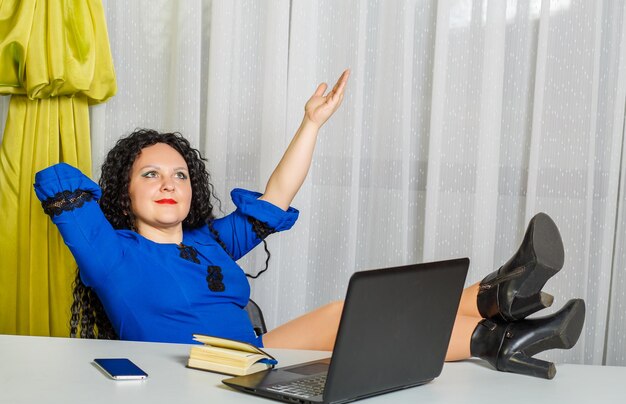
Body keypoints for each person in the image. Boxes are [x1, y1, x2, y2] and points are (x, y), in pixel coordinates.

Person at [34, 69, 584, 380]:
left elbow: (276, 196)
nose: (168, 182)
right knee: (353, 318)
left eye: (178, 174)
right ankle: (505, 328)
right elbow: (54, 179)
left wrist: (311, 123)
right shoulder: (114, 255)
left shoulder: (210, 242)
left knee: (364, 310)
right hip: (197, 376)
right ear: (123, 195)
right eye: (149, 174)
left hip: (252, 360)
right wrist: (103, 203)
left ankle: (500, 304)